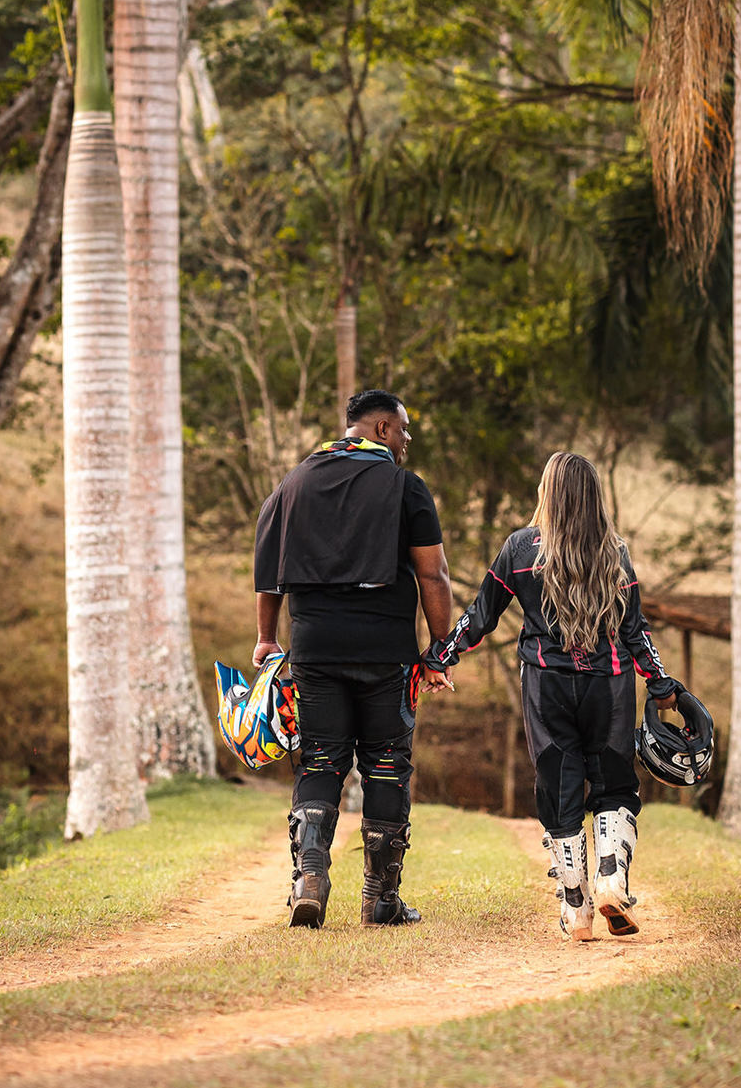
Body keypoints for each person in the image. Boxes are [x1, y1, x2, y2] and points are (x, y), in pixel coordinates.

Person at [420, 451, 678, 941]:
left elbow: (481, 615)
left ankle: (577, 910)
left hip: (547, 685)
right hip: (610, 686)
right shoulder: (616, 553)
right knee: (613, 785)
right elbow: (635, 631)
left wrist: (441, 657)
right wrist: (660, 683)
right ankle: (612, 880)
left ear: (548, 493)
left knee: (559, 790)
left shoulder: (521, 550)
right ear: (593, 497)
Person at [253, 390, 453, 930]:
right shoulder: (405, 487)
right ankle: (379, 901)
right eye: (405, 430)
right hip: (385, 655)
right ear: (383, 428)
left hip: (315, 650)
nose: (408, 440)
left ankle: (310, 878)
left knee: (320, 762)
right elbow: (432, 575)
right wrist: (440, 650)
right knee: (386, 766)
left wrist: (266, 638)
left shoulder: (293, 482)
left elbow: (269, 568)